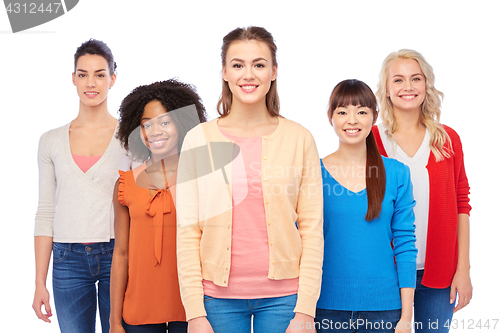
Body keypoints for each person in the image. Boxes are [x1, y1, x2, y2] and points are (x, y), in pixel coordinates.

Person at [176, 26, 324, 333]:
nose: (249, 74)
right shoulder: (198, 140)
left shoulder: (300, 139)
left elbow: (312, 229)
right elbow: (188, 230)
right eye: (238, 65)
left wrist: (305, 310)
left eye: (259, 64)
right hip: (216, 301)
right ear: (225, 73)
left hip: (285, 299)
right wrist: (194, 313)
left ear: (273, 72)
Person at [32, 39, 130, 333]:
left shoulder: (131, 136)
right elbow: (46, 211)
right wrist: (39, 282)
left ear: (113, 78)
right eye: (83, 74)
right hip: (67, 259)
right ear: (73, 79)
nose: (91, 82)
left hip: (119, 253)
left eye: (100, 74)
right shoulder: (50, 141)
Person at [373, 49, 472, 333]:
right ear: (387, 90)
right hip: (386, 271)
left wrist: (462, 269)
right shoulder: (371, 140)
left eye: (416, 78)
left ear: (426, 85)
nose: (408, 86)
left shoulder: (447, 138)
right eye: (399, 80)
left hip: (439, 271)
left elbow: (461, 205)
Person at [315, 79, 417, 333]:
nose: (352, 120)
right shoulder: (312, 173)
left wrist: (406, 317)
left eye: (361, 112)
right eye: (342, 112)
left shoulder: (396, 173)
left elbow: (405, 245)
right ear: (330, 117)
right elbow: (301, 245)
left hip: (385, 309)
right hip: (324, 308)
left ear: (374, 117)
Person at [110, 79, 208, 333]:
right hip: (138, 311)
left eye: (165, 122)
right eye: (146, 125)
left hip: (191, 310)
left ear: (181, 125)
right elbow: (121, 254)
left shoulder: (200, 178)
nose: (155, 131)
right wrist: (114, 321)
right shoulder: (126, 184)